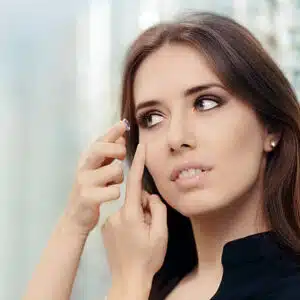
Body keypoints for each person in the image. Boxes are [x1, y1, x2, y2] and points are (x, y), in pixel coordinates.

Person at [22, 11, 300, 300]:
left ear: (271, 128)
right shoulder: (157, 282)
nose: (176, 138)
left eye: (205, 103)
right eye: (152, 118)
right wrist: (75, 223)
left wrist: (129, 283)